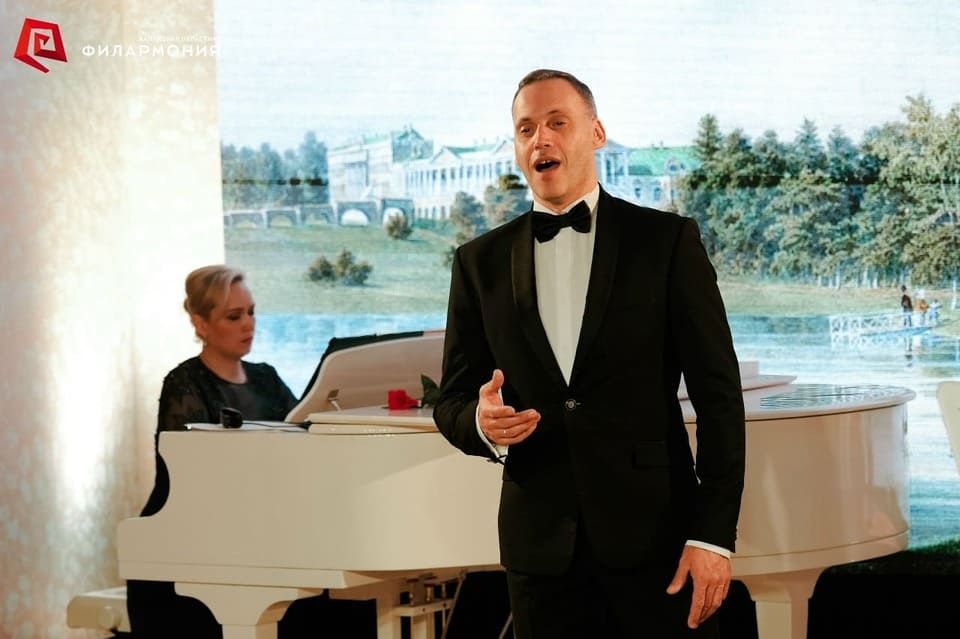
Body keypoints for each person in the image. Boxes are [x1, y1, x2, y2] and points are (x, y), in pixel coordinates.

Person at [434, 69, 745, 638]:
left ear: (597, 133)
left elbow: (719, 397)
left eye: (558, 123)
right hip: (540, 554)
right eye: (526, 128)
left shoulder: (667, 242)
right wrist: (479, 422)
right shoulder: (478, 263)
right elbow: (451, 400)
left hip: (661, 546)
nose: (541, 139)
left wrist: (713, 536)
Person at [127, 265, 371, 638]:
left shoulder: (266, 378)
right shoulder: (185, 384)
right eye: (234, 316)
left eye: (251, 312)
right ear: (201, 324)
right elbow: (191, 482)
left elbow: (307, 441)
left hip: (262, 540)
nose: (248, 324)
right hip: (184, 552)